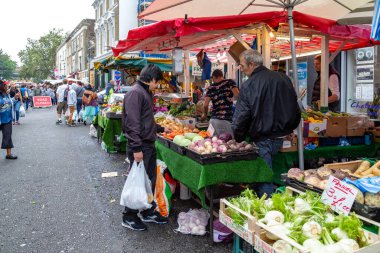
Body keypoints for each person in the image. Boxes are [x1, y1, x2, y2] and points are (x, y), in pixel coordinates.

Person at [232, 49, 300, 197]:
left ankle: (265, 210)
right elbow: (295, 108)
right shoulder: (283, 78)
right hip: (280, 137)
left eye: (242, 65)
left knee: (264, 177)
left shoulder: (249, 85)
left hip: (262, 138)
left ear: (251, 64)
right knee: (269, 172)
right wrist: (289, 128)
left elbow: (241, 116)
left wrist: (238, 138)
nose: (241, 69)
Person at [121, 64, 168, 231]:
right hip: (140, 146)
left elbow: (146, 120)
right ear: (152, 79)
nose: (158, 86)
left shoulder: (145, 92)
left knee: (149, 181)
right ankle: (129, 215)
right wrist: (136, 148)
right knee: (138, 182)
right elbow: (132, 123)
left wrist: (160, 129)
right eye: (157, 82)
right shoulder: (136, 93)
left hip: (147, 144)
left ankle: (147, 210)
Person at [201, 69, 239, 136]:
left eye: (213, 79)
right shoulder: (230, 82)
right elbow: (238, 96)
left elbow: (205, 105)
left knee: (213, 143)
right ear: (222, 76)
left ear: (215, 77)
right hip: (225, 120)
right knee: (228, 144)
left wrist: (205, 114)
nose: (213, 81)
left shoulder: (211, 88)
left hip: (212, 121)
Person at [0, 80, 17, 159]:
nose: (7, 86)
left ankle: (9, 154)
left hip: (7, 119)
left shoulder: (6, 94)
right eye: (5, 85)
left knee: (7, 136)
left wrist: (15, 98)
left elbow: (9, 103)